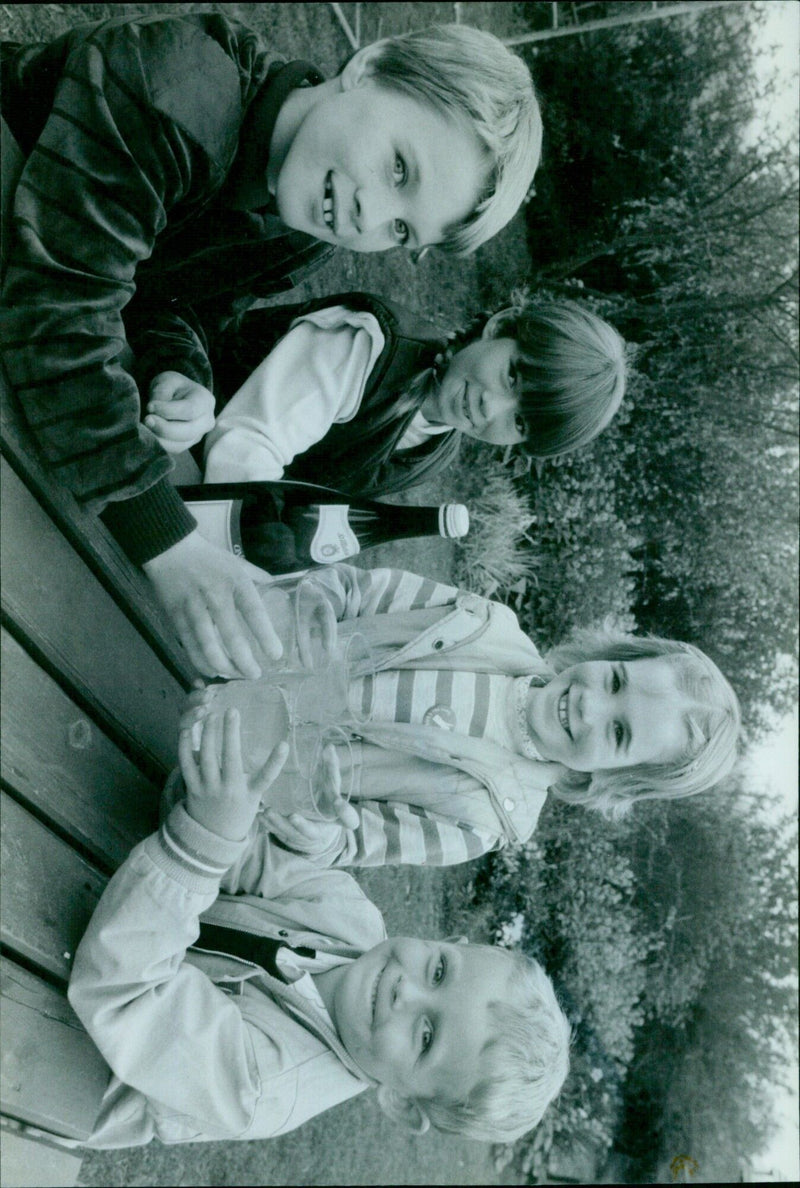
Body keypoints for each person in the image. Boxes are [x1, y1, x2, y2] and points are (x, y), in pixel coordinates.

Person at [0, 12, 541, 680]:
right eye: (398, 167)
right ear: (367, 67)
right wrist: (167, 544)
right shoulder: (183, 88)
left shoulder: (299, 224)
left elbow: (179, 303)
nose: (369, 218)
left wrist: (180, 369)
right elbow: (58, 306)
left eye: (401, 231)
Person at [67, 709, 571, 1148]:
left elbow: (121, 994)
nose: (406, 989)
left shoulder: (265, 1084)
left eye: (425, 1035)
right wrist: (257, 810)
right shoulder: (350, 916)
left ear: (399, 1102)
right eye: (438, 970)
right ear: (450, 943)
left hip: (51, 1048)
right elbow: (239, 853)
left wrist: (205, 841)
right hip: (85, 921)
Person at [178, 563, 742, 874]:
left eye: (619, 733)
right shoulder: (481, 623)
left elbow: (352, 844)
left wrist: (315, 832)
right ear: (610, 656)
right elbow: (355, 591)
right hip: (219, 652)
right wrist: (302, 609)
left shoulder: (484, 819)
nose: (591, 705)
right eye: (615, 682)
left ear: (612, 780)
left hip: (215, 777)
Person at [137, 289, 627, 495]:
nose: (489, 406)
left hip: (196, 486)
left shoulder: (435, 449)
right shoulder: (373, 345)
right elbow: (247, 446)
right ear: (499, 326)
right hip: (159, 405)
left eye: (519, 423)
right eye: (514, 375)